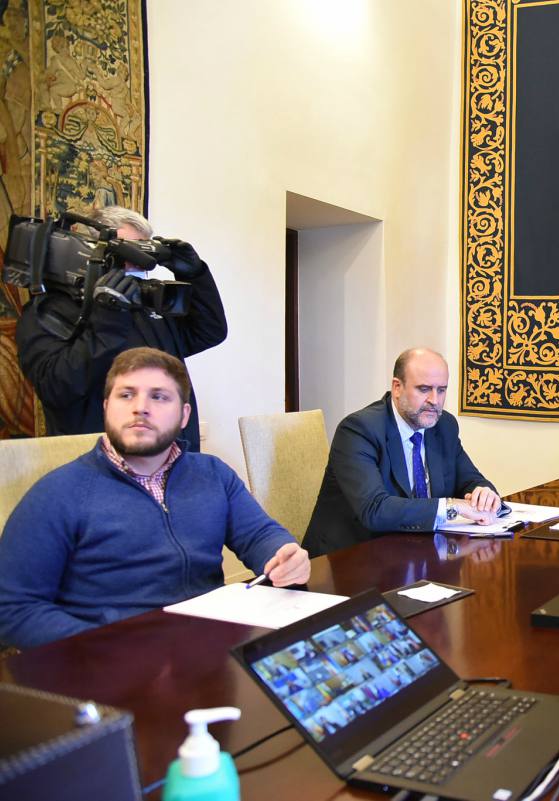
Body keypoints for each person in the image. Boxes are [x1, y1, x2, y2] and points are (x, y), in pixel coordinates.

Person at [0, 347, 309, 650]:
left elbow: (258, 535)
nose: (140, 408)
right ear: (106, 406)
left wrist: (283, 553)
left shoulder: (213, 474)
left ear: (184, 414)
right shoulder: (57, 494)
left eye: (159, 396)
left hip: (208, 651)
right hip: (113, 666)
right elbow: (13, 608)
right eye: (126, 395)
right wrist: (104, 646)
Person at [15, 205, 227, 452]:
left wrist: (196, 274)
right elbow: (57, 387)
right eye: (127, 251)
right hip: (101, 465)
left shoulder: (143, 302)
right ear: (88, 251)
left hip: (174, 459)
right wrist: (108, 319)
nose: (139, 264)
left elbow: (208, 331)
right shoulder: (48, 311)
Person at [304, 348, 501, 556]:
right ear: (397, 387)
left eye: (441, 390)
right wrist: (452, 507)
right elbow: (375, 509)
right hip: (349, 561)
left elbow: (470, 480)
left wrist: (484, 494)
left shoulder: (444, 426)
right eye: (424, 389)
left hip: (415, 554)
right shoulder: (359, 430)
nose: (435, 400)